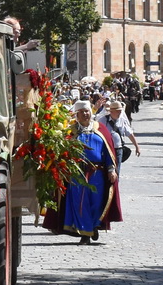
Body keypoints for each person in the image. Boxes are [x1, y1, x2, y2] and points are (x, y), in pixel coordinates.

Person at [50, 101, 120, 242]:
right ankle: (85, 233)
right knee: (80, 203)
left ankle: (94, 226)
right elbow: (63, 153)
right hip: (76, 174)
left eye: (87, 111)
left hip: (97, 174)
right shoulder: (70, 132)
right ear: (76, 115)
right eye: (81, 112)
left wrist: (111, 169)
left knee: (96, 202)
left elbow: (109, 151)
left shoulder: (101, 129)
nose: (85, 114)